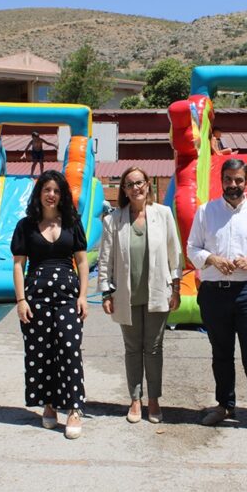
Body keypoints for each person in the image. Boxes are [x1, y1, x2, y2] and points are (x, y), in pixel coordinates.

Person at [187, 158, 247, 437]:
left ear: (245, 181)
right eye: (228, 179)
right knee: (221, 353)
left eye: (238, 180)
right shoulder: (206, 211)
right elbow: (192, 248)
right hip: (215, 293)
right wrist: (211, 258)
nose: (233, 185)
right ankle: (224, 405)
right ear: (221, 180)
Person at [98, 167, 183, 424]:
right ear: (124, 190)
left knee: (154, 348)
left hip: (158, 292)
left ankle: (154, 399)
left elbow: (174, 254)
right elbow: (106, 259)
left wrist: (176, 289)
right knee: (133, 348)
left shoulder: (163, 214)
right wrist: (105, 292)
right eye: (130, 184)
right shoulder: (114, 220)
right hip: (126, 295)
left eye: (140, 182)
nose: (136, 188)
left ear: (148, 185)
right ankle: (135, 399)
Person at [11, 170, 89, 440]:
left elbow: (81, 262)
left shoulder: (72, 222)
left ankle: (74, 408)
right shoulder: (25, 226)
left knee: (69, 348)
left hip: (68, 294)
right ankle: (48, 404)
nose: (51, 195)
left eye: (56, 190)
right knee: (40, 351)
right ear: (39, 193)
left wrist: (82, 296)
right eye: (47, 190)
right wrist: (21, 300)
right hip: (36, 295)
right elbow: (19, 265)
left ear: (62, 194)